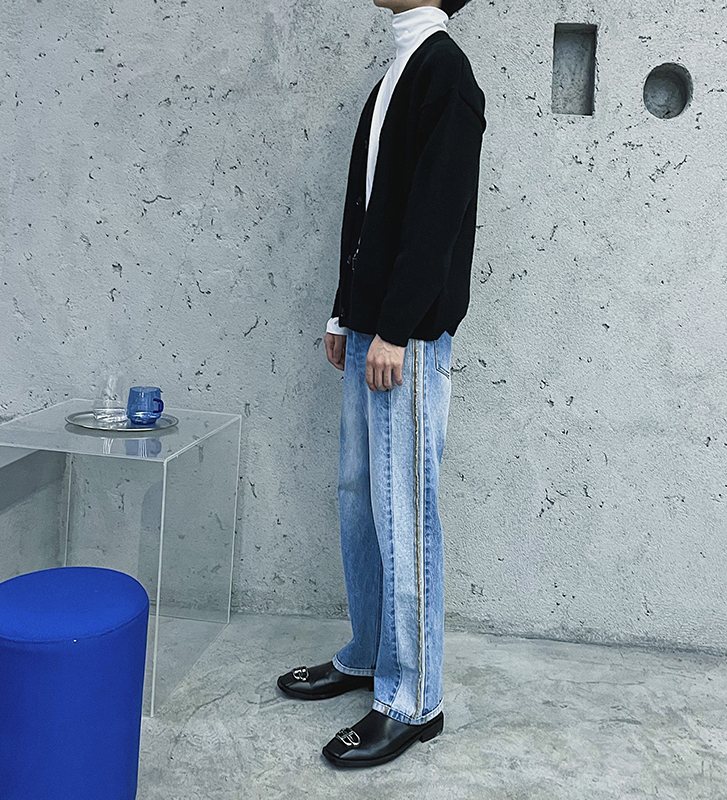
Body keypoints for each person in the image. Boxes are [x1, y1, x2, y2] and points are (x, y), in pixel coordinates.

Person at [277, 0, 485, 768]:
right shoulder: (397, 69)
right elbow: (365, 211)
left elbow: (438, 216)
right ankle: (368, 654)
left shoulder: (446, 72)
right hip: (372, 325)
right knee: (359, 496)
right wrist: (345, 312)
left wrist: (396, 326)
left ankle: (413, 700)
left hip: (408, 335)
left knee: (405, 513)